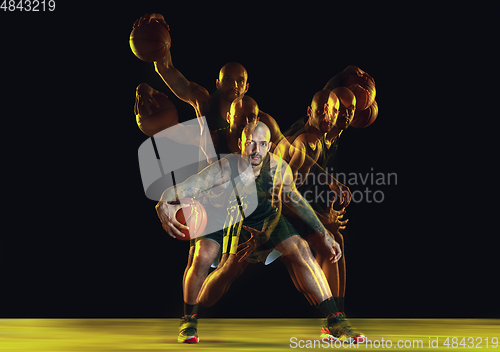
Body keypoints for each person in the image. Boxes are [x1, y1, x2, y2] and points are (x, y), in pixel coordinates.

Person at [156, 121, 365, 344]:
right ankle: (189, 320)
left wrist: (323, 232)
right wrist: (163, 201)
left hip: (263, 216)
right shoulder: (227, 167)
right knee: (204, 256)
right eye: (250, 143)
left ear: (269, 145)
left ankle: (335, 320)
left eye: (262, 144)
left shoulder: (278, 168)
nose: (256, 150)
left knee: (301, 249)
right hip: (223, 215)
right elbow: (192, 184)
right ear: (240, 144)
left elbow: (296, 201)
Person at [133, 13, 284, 147]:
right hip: (213, 172)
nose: (235, 84)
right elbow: (166, 68)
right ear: (218, 84)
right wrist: (159, 32)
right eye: (228, 79)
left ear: (247, 87)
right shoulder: (204, 104)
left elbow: (288, 154)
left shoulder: (261, 121)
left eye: (240, 81)